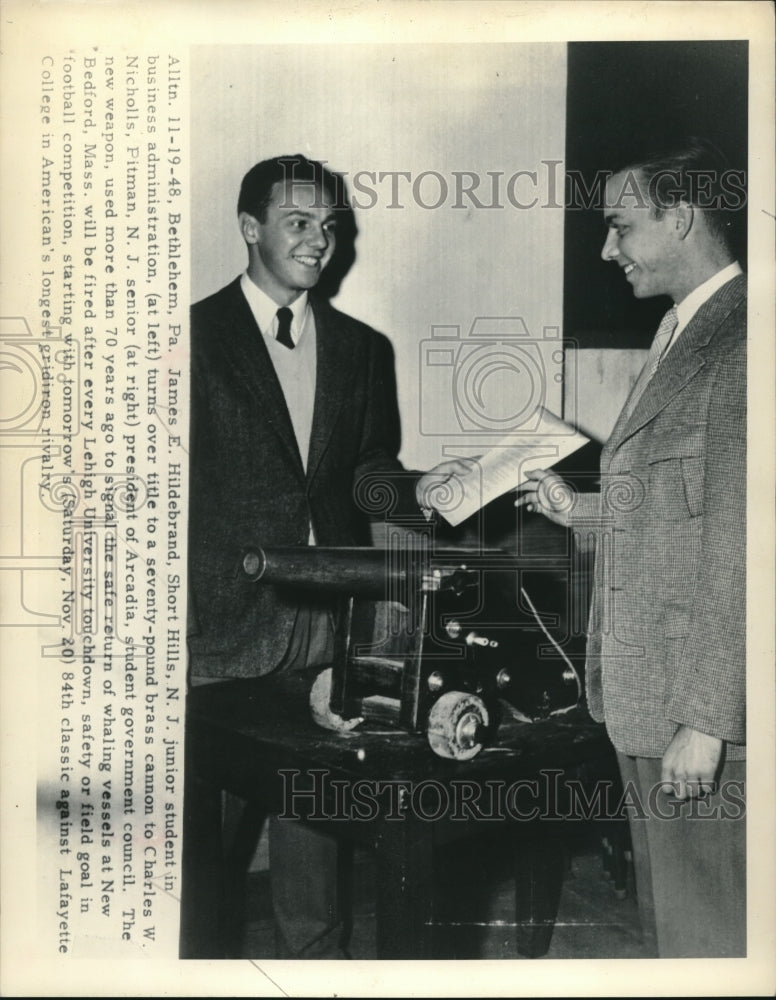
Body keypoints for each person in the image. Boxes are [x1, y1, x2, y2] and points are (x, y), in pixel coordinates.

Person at [187, 154, 465, 958]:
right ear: (250, 229)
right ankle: (186, 964)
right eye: (299, 223)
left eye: (330, 227)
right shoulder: (189, 338)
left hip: (330, 616)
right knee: (200, 840)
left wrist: (429, 490)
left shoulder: (360, 348)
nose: (320, 242)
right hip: (221, 620)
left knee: (313, 811)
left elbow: (369, 475)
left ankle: (315, 962)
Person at [516, 138, 746, 958]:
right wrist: (577, 508)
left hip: (699, 705)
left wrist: (710, 722)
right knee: (673, 927)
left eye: (620, 227)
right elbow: (680, 500)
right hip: (651, 694)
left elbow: (744, 541)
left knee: (713, 935)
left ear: (680, 217)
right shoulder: (682, 329)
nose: (606, 249)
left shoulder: (747, 339)